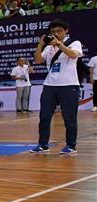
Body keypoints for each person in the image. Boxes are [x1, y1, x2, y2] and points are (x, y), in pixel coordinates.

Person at [30, 18, 83, 155]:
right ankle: (43, 144)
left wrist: (59, 44)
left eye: (59, 31)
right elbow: (38, 60)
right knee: (44, 116)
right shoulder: (48, 48)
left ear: (66, 31)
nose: (56, 33)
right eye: (53, 31)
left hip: (69, 85)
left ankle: (71, 145)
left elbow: (73, 55)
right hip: (49, 85)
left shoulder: (74, 43)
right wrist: (40, 44)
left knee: (69, 117)